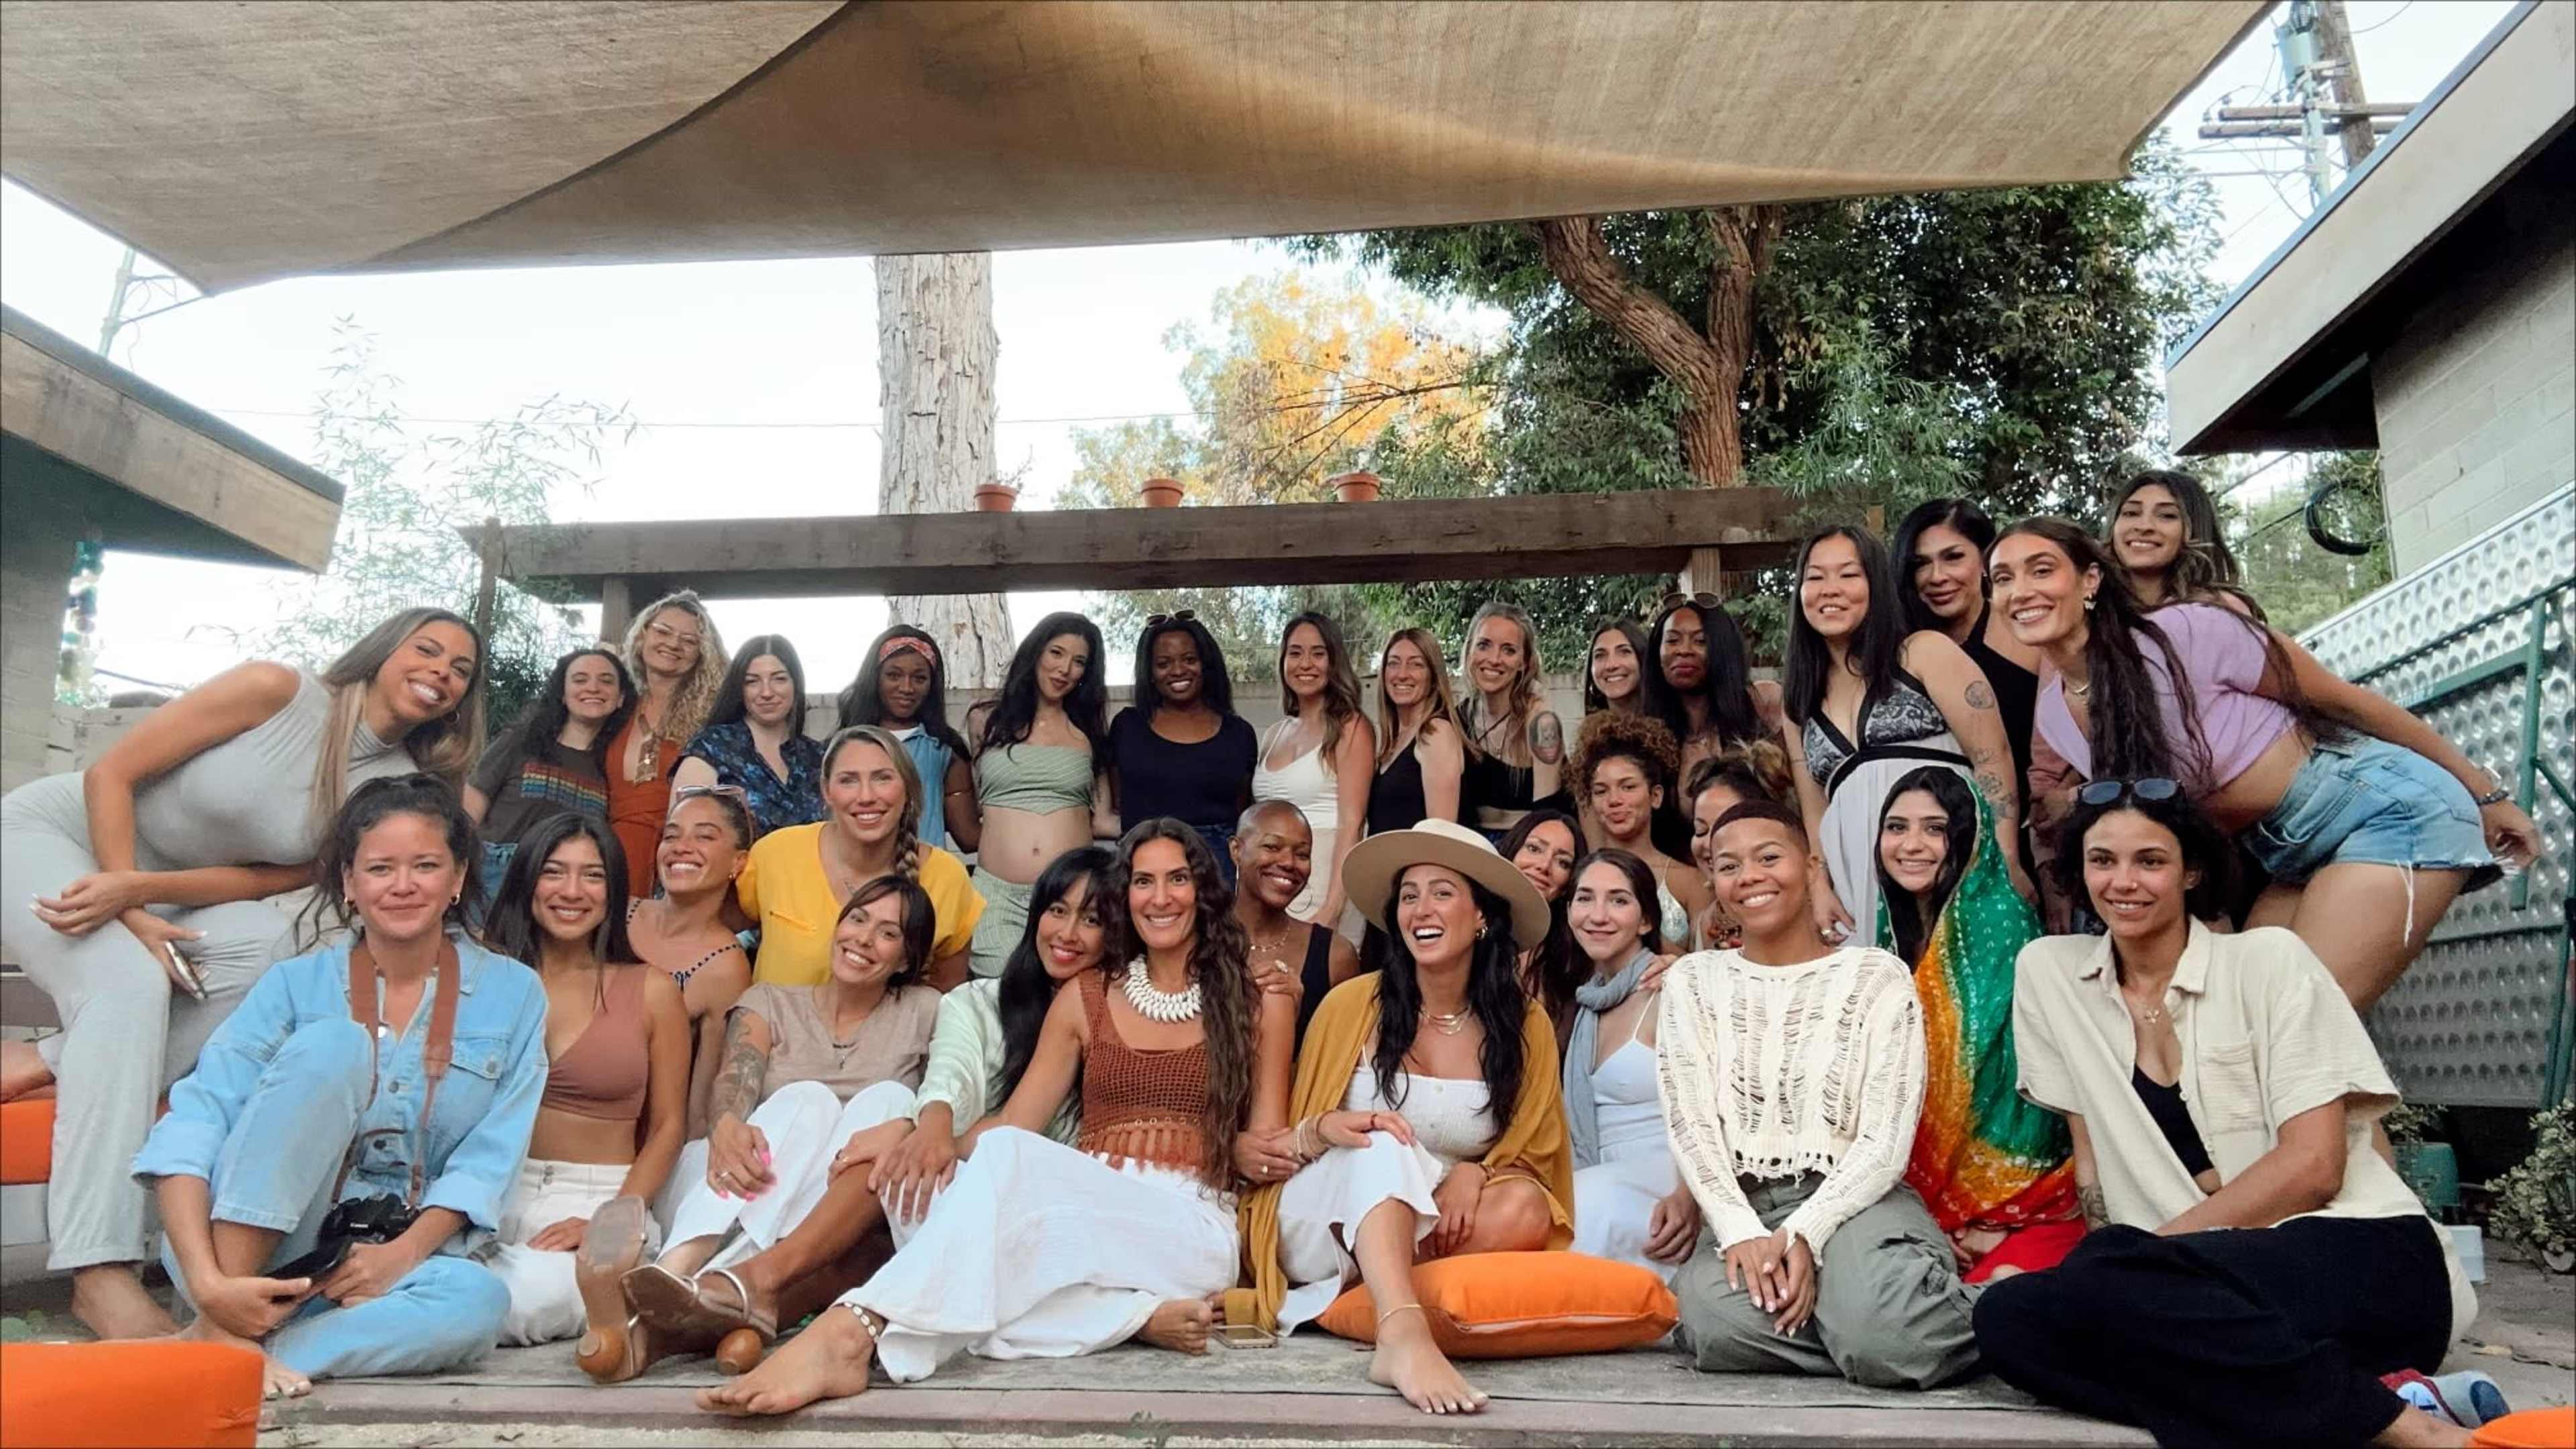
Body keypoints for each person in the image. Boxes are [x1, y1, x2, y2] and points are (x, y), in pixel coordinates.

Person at [0, 606, 484, 1339]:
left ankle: (45, 1057)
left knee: (281, 941)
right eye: (428, 650)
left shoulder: (393, 784)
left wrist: (141, 898)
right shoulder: (277, 690)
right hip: (64, 841)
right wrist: (126, 895)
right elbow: (112, 771)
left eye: (460, 670)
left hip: (155, 898)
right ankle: (99, 1271)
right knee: (128, 983)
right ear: (385, 652)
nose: (441, 673)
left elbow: (266, 881)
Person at [698, 820, 1294, 1415]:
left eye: (1177, 879)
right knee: (939, 1200)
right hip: (1078, 1226)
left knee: (988, 1234)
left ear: (1204, 890)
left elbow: (1266, 1143)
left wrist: (1275, 1141)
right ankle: (1129, 1316)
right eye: (1143, 881)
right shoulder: (1086, 995)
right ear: (1126, 898)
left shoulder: (1256, 997)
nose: (1160, 897)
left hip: (1186, 1228)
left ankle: (852, 1330)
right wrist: (912, 1138)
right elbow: (1016, 1124)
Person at [1976, 784, 2486, 1449]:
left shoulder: (2270, 960)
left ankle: (2408, 1431)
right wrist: (2114, 1264)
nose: (2123, 882)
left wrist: (2138, 1257)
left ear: (2191, 871)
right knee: (2008, 1321)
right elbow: (2091, 1157)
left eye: (2150, 862)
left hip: (2368, 1252)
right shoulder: (2050, 973)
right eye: (2103, 861)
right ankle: (2373, 1401)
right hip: (2195, 1286)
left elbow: (2314, 1167)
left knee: (2101, 1286)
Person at [1990, 519, 2539, 1006]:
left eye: (2041, 570)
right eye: (2003, 578)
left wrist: (2485, 795)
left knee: (2300, 1034)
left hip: (2383, 810)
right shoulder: (2056, 713)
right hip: (2284, 854)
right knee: (2246, 1035)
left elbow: (2346, 700)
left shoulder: (2186, 631)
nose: (2021, 591)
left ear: (2090, 581)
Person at [131, 774, 546, 1399]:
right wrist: (209, 1282)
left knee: (477, 1301)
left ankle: (237, 1351)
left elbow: (488, 1160)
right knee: (337, 1044)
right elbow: (195, 1124)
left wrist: (399, 1257)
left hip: (373, 1262)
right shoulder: (293, 985)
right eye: (380, 868)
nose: (403, 885)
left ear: (458, 878)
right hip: (241, 1256)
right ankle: (223, 1322)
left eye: (426, 865)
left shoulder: (514, 993)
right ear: (350, 884)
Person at [1235, 817, 1569, 1416]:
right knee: (1384, 1146)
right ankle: (1404, 1334)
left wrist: (1482, 1173)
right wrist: (1324, 1129)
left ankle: (1372, 1295)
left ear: (1482, 915)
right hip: (1325, 1210)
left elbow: (1537, 1151)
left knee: (1527, 1207)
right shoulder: (1350, 1005)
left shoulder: (1526, 1025)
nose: (1421, 908)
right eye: (1409, 895)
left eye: (1442, 892)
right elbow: (1281, 1143)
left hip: (1435, 1220)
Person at [1660, 801, 1975, 1389]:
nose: (1749, 876)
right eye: (1729, 866)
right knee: (1711, 1324)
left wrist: (1807, 1231)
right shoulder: (1693, 981)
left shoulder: (1876, 976)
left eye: (1769, 857)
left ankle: (1935, 1313)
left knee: (1890, 1342)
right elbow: (1691, 1125)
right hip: (1748, 1207)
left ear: (1810, 866)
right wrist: (1742, 1232)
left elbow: (1885, 1138)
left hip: (1855, 1200)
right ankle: (1868, 1318)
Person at [589, 877, 943, 1383]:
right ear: (838, 926)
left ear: (906, 958)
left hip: (826, 1222)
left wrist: (906, 1126)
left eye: (888, 934)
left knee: (893, 1102)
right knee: (808, 1100)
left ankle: (701, 1293)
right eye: (858, 920)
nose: (864, 940)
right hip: (724, 1187)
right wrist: (728, 1122)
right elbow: (736, 1080)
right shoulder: (770, 1001)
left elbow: (948, 1101)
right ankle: (685, 1268)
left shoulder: (926, 1011)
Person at [476, 816, 690, 1361]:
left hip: (600, 1193)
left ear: (614, 892)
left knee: (511, 1304)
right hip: (489, 1190)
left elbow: (668, 1127)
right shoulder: (486, 975)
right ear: (527, 882)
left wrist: (613, 1217)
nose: (572, 892)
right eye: (554, 873)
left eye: (592, 876)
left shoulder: (653, 990)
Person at [1870, 768, 2078, 1281]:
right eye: (1896, 828)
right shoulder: (1890, 929)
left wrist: (1958, 1213)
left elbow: (1983, 1074)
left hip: (2016, 1188)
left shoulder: (1998, 920)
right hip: (1924, 1197)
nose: (1911, 845)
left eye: (1935, 829)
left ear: (1969, 836)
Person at [1779, 525, 2032, 945]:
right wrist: (1819, 885)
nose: (1830, 589)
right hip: (1854, 881)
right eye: (1815, 576)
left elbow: (1993, 756)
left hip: (1951, 864)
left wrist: (2004, 859)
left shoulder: (1923, 652)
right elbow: (1814, 810)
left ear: (1876, 584)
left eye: (1848, 574)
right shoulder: (1799, 702)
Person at [739, 726, 981, 989]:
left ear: (908, 788)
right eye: (848, 780)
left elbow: (946, 993)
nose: (866, 796)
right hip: (774, 1029)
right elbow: (708, 927)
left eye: (882, 778)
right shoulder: (776, 853)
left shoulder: (947, 877)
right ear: (826, 790)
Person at [1561, 850, 1696, 1277]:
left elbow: (1719, 1107)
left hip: (1672, 1185)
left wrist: (1691, 1196)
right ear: (1569, 912)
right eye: (1585, 899)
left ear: (1646, 921)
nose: (1598, 915)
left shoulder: (1670, 989)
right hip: (1601, 1175)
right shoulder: (1585, 1004)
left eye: (1618, 900)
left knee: (1580, 1204)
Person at [967, 612, 1116, 977]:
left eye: (1079, 661)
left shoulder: (1088, 732)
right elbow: (977, 804)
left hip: (1070, 897)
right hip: (996, 895)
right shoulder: (985, 720)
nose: (1065, 668)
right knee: (1000, 989)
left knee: (1065, 1000)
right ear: (1036, 652)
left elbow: (1104, 819)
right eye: (1057, 653)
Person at [1891, 498, 2041, 814]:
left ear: (1986, 558)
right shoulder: (1900, 651)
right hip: (1932, 834)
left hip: (2034, 826)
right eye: (1920, 564)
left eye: (1953, 557)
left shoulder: (2030, 632)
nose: (1937, 576)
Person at [625, 786, 757, 1133]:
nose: (681, 847)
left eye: (705, 836)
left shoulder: (727, 968)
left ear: (738, 862)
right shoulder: (616, 915)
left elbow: (699, 1110)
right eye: (671, 835)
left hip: (636, 1143)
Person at [464, 646, 633, 912]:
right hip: (494, 879)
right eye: (580, 679)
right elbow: (468, 812)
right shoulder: (520, 742)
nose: (593, 687)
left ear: (621, 698)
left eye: (606, 681)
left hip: (564, 890)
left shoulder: (614, 766)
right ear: (563, 695)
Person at [1107, 610, 1255, 877]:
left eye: (1189, 660)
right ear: (1150, 672)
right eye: (1164, 663)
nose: (1178, 671)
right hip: (1141, 865)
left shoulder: (1239, 733)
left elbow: (1242, 812)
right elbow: (1118, 801)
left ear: (1206, 665)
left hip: (1218, 872)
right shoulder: (1127, 727)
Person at [1253, 612, 1374, 929]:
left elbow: (1353, 823)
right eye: (1295, 653)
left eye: (1318, 654)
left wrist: (1333, 908)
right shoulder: (1273, 734)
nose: (1305, 663)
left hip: (1323, 880)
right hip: (1272, 885)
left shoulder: (1351, 728)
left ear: (1334, 662)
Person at [608, 592, 728, 898]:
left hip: (675, 860)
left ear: (702, 653)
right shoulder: (614, 706)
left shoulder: (713, 718)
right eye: (663, 631)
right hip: (606, 856)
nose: (673, 645)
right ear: (642, 635)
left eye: (688, 640)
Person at [1570, 711, 1709, 947]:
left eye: (1628, 787)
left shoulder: (1691, 881)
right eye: (1601, 791)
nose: (1614, 800)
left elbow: (1708, 967)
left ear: (1655, 796)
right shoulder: (1579, 877)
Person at [835, 627, 978, 853]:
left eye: (919, 678)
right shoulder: (842, 746)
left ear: (932, 684)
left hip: (925, 878)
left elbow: (969, 837)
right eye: (894, 675)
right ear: (875, 678)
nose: (906, 688)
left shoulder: (944, 748)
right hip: (858, 878)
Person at [1232, 801, 1359, 1044]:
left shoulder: (1335, 956)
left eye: (1302, 854)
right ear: (1236, 850)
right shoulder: (1198, 937)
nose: (1289, 862)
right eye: (1272, 847)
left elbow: (1341, 1062)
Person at [675, 635, 824, 836]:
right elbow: (683, 838)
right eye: (752, 682)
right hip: (740, 867)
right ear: (739, 689)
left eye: (779, 679)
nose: (767, 692)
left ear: (796, 685)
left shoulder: (818, 756)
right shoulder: (711, 748)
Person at [1641, 592, 1780, 780]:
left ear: (1723, 649)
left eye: (1700, 641)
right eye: (1672, 641)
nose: (1684, 650)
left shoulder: (1762, 704)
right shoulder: (1650, 735)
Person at [1456, 602, 1564, 840]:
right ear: (1469, 652)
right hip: (1472, 845)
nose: (1494, 659)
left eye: (1509, 650)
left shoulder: (1541, 720)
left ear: (1524, 663)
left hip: (1528, 842)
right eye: (1484, 645)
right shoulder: (1455, 721)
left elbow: (1548, 812)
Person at [1682, 746, 1794, 953]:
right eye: (1700, 831)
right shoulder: (1703, 923)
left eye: (1724, 827)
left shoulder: (1807, 911)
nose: (1709, 843)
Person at [2106, 468, 2262, 616]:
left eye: (2167, 516)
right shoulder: (2090, 607)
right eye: (2131, 513)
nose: (2144, 526)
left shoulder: (2220, 608)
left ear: (2195, 528)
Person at [1367, 627, 1472, 836]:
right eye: (1394, 664)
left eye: (1416, 665)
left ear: (1433, 676)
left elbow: (1440, 834)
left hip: (1421, 867)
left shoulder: (1436, 734)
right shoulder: (1393, 742)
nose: (1402, 674)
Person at [1495, 806, 1584, 1051]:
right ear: (1511, 851)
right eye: (1534, 848)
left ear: (1569, 885)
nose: (1544, 866)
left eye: (1563, 862)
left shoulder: (1573, 954)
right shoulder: (1469, 925)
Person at [1581, 618, 1650, 718]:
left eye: (1624, 652)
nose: (1611, 665)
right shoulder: (1589, 733)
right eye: (1600, 655)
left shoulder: (1674, 727)